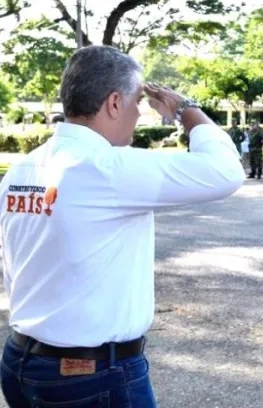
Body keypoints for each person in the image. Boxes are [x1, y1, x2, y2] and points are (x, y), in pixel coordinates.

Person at [0, 45, 244, 407]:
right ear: (114, 103)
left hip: (21, 361)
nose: (139, 114)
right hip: (88, 376)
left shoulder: (24, 169)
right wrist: (185, 109)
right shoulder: (107, 167)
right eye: (137, 103)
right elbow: (226, 172)